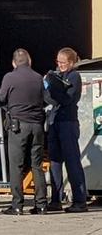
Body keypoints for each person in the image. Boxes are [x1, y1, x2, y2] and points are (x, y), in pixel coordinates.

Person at [0, 49, 47, 215]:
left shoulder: (9, 77)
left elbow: (1, 98)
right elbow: (45, 98)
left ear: (13, 63)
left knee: (16, 165)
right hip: (37, 126)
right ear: (30, 61)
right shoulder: (39, 78)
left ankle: (17, 205)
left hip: (18, 126)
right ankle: (41, 204)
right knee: (37, 165)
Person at [45, 47, 88, 213]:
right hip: (55, 121)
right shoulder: (58, 75)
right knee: (54, 161)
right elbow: (50, 97)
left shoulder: (74, 76)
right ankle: (55, 199)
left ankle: (79, 200)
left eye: (63, 63)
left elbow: (66, 99)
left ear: (71, 62)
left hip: (68, 122)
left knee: (72, 161)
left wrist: (52, 89)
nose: (60, 65)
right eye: (58, 62)